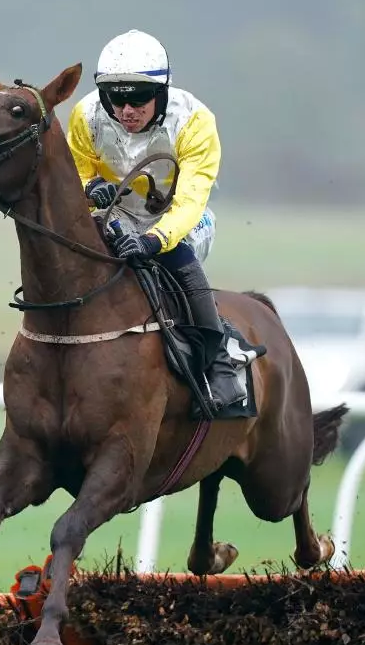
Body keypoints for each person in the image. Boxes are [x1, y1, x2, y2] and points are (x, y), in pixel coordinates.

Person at [66, 28, 247, 414]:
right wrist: (89, 186)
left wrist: (153, 240)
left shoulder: (195, 121)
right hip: (115, 217)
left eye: (139, 99)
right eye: (116, 99)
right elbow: (74, 171)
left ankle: (220, 370)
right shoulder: (86, 115)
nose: (126, 111)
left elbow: (191, 200)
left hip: (180, 221)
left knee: (174, 257)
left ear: (162, 92)